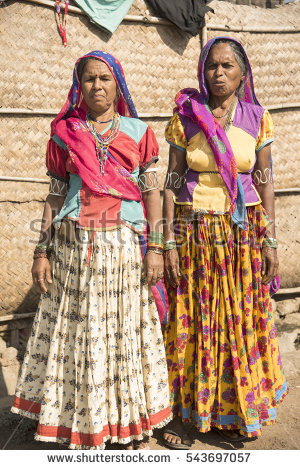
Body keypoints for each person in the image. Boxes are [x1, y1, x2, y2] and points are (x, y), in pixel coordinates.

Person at [11, 51, 171, 450]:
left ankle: (126, 422)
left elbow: (152, 194)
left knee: (122, 334)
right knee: (80, 334)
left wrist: (156, 248)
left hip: (122, 249)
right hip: (74, 247)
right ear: (78, 86)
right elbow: (54, 193)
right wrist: (41, 250)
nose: (96, 86)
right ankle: (77, 425)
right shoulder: (64, 133)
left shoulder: (139, 132)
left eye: (104, 78)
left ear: (118, 83)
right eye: (88, 79)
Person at [162, 37, 287, 448]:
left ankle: (238, 409)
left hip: (243, 232)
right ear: (203, 70)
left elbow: (266, 183)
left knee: (239, 315)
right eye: (212, 66)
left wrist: (269, 238)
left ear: (242, 73)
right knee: (197, 318)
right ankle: (193, 413)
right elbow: (173, 181)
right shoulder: (187, 118)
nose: (219, 74)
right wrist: (169, 241)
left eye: (227, 66)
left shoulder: (257, 117)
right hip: (195, 231)